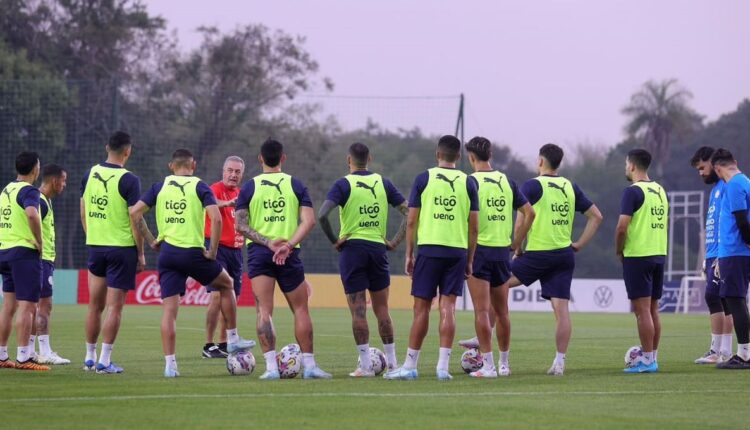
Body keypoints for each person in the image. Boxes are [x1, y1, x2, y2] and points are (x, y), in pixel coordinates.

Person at [129, 149, 255, 378]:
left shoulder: (159, 187)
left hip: (167, 255)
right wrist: (213, 251)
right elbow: (216, 217)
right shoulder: (200, 186)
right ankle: (234, 339)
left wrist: (151, 241)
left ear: (171, 166)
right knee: (227, 286)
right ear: (193, 165)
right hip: (193, 253)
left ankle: (170, 366)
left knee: (169, 311)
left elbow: (135, 212)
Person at [499, 143, 602, 376]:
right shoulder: (569, 186)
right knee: (561, 311)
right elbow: (596, 216)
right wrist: (578, 244)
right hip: (564, 255)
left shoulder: (533, 185)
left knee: (497, 285)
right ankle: (559, 363)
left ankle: (487, 345)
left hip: (537, 254)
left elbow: (521, 220)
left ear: (540, 161)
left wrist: (517, 247)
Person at [383, 135, 479, 381]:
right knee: (448, 307)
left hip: (429, 250)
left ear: (437, 154)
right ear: (458, 156)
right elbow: (474, 227)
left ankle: (410, 366)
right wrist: (469, 259)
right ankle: (442, 368)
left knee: (421, 309)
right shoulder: (468, 183)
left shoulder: (423, 179)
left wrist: (409, 254)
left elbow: (412, 220)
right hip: (456, 251)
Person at [235, 139, 332, 380]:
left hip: (260, 253)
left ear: (260, 159)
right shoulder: (295, 184)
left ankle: (270, 369)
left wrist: (268, 243)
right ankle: (309, 367)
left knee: (264, 311)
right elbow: (309, 221)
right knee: (300, 309)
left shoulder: (249, 187)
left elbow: (240, 225)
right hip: (289, 254)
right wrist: (287, 245)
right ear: (283, 158)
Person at [318, 142, 408, 377]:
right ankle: (393, 365)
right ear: (370, 159)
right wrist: (395, 241)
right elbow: (410, 212)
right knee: (382, 310)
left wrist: (335, 240)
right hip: (378, 249)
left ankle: (366, 367)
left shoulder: (343, 184)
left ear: (349, 160)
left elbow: (322, 215)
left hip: (352, 250)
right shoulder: (383, 183)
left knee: (358, 311)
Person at [463, 137, 535, 378]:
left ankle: (489, 366)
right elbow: (529, 212)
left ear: (471, 157)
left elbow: (468, 222)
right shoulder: (507, 181)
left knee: (482, 312)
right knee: (502, 311)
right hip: (502, 252)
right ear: (490, 154)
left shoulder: (470, 182)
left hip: (480, 251)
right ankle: (504, 365)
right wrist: (517, 243)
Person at [80, 131, 144, 374]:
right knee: (114, 308)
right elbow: (134, 218)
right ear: (127, 151)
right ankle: (105, 361)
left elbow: (83, 210)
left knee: (93, 306)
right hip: (121, 249)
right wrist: (140, 253)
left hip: (96, 247)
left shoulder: (89, 174)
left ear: (107, 147)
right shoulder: (130, 180)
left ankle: (89, 356)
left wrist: (92, 236)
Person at [615, 149, 668, 374]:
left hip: (638, 255)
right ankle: (652, 356)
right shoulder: (660, 190)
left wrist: (619, 250)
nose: (626, 168)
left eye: (627, 164)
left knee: (642, 311)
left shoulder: (632, 192)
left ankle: (647, 361)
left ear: (633, 166)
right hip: (658, 253)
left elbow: (622, 226)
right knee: (654, 309)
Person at [0, 151, 48, 371]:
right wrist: (39, 240)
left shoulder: (6, 189)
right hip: (23, 252)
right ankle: (23, 358)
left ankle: (2, 356)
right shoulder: (30, 191)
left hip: (4, 251)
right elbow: (31, 214)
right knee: (28, 307)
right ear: (35, 169)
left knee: (8, 307)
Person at [690, 147, 733, 364]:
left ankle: (720, 350)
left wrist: (721, 254)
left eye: (702, 167)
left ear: (713, 163)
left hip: (724, 252)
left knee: (721, 298)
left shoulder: (727, 185)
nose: (701, 173)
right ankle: (720, 350)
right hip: (713, 253)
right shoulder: (716, 188)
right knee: (717, 298)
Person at [201, 156, 246, 359]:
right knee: (217, 296)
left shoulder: (242, 194)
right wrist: (228, 202)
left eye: (237, 172)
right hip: (216, 247)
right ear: (223, 171)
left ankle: (224, 343)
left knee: (232, 299)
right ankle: (208, 345)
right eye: (230, 170)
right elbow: (210, 204)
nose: (233, 175)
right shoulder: (214, 189)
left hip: (236, 251)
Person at [711, 149, 750, 369]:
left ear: (717, 168)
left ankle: (744, 354)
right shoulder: (746, 181)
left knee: (736, 301)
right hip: (737, 253)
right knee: (738, 301)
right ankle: (745, 352)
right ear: (734, 162)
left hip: (735, 252)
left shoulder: (734, 184)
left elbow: (742, 220)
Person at [32, 164, 71, 365]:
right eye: (63, 180)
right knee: (44, 306)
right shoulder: (40, 202)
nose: (64, 185)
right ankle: (44, 352)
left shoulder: (44, 200)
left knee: (34, 306)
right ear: (55, 181)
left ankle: (30, 350)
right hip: (41, 259)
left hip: (42, 259)